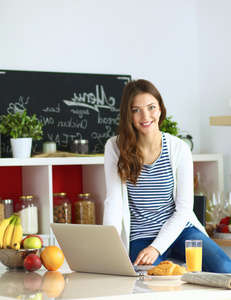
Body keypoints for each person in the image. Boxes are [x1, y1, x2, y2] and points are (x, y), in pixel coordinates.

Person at [103, 79, 231, 273]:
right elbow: (113, 203)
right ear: (128, 115)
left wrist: (157, 247)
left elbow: (184, 208)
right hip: (141, 236)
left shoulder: (179, 148)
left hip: (181, 230)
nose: (145, 116)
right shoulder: (115, 147)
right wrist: (109, 250)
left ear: (160, 109)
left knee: (224, 267)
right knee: (147, 281)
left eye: (151, 107)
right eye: (136, 110)